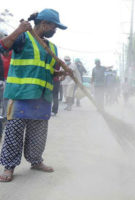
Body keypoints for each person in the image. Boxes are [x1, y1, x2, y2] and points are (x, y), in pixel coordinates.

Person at [0, 8, 68, 182]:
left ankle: (36, 161)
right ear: (44, 24)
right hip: (21, 95)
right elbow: (3, 46)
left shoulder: (52, 47)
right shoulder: (24, 37)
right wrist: (18, 30)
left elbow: (47, 70)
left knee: (38, 134)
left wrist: (60, 73)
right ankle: (9, 167)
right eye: (54, 27)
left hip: (42, 97)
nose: (55, 31)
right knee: (14, 133)